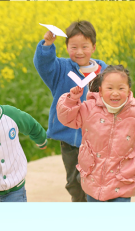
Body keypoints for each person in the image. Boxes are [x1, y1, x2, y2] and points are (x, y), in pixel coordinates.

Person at [56, 65, 135, 202]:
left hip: (122, 182)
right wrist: (72, 99)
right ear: (100, 91)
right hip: (93, 180)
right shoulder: (89, 108)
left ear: (128, 91)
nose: (115, 93)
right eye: (110, 88)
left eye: (121, 88)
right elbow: (67, 118)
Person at [34, 20, 107, 202]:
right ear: (66, 47)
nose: (79, 52)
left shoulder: (104, 72)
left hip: (95, 141)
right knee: (73, 183)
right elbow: (44, 65)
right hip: (69, 140)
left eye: (84, 46)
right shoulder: (61, 69)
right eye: (74, 47)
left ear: (94, 47)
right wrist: (48, 44)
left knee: (92, 180)